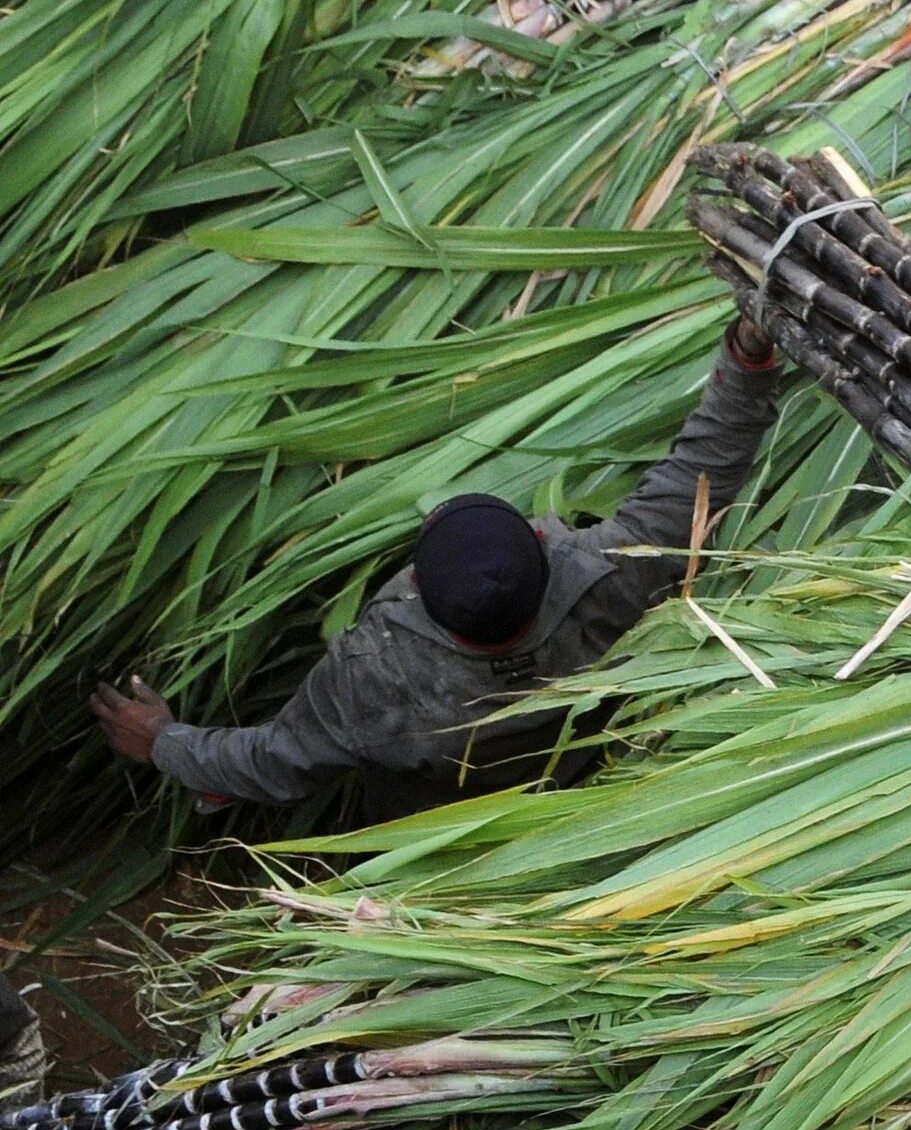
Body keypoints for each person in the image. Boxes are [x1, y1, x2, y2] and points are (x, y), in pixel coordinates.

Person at [93, 312, 785, 824]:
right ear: (544, 555)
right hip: (574, 810)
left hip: (425, 843)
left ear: (417, 590)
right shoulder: (609, 579)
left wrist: (164, 742)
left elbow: (277, 763)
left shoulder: (377, 674)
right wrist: (748, 362)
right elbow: (700, 475)